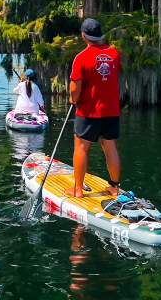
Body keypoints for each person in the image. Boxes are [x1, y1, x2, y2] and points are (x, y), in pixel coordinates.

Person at [66, 18, 122, 198]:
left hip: (88, 111)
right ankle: (114, 187)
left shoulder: (81, 57)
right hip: (111, 111)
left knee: (81, 147)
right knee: (110, 146)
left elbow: (75, 87)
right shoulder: (114, 54)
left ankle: (78, 190)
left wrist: (73, 99)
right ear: (100, 35)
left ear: (83, 35)